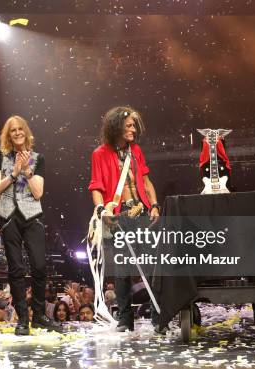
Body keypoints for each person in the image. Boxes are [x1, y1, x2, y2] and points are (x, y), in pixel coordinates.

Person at [89, 106, 160, 332]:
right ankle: (125, 319)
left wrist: (155, 205)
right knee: (122, 270)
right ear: (116, 127)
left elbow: (146, 182)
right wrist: (102, 210)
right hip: (118, 216)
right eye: (129, 125)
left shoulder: (136, 150)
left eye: (134, 125)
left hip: (142, 213)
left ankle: (159, 316)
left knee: (151, 266)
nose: (133, 129)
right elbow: (96, 186)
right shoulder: (99, 153)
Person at [0, 115, 60, 335]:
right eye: (13, 130)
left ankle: (38, 316)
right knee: (16, 269)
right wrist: (13, 173)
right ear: (8, 135)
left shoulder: (39, 158)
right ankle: (22, 320)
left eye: (20, 129)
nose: (17, 133)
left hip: (32, 216)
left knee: (39, 266)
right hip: (9, 216)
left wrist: (26, 169)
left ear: (26, 131)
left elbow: (38, 192)